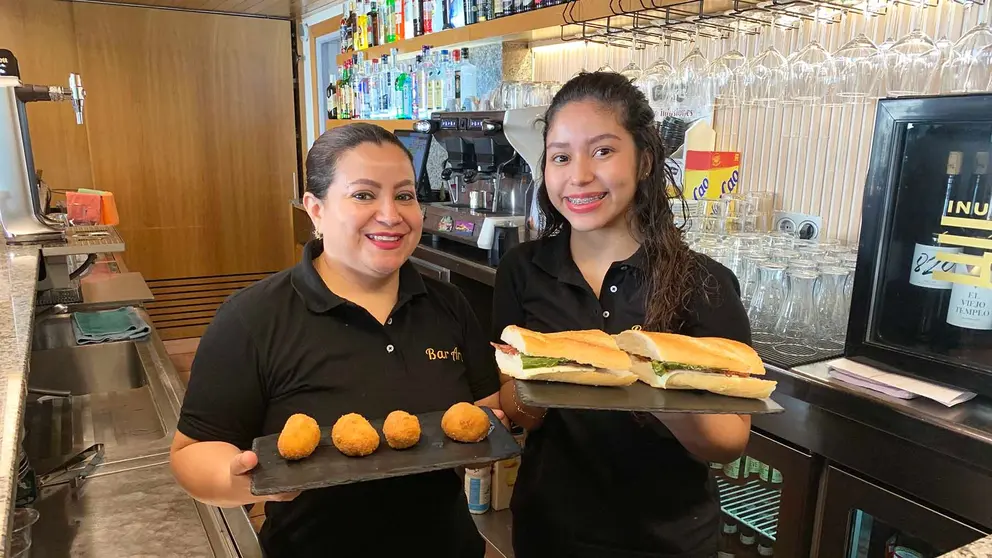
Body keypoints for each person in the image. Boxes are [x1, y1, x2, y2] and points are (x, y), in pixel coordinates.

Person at [170, 123, 501, 557]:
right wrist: (243, 481)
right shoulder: (253, 318)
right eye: (364, 195)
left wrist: (488, 439)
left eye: (404, 195)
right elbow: (191, 452)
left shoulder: (449, 305)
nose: (390, 215)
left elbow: (482, 412)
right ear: (316, 209)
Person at [494, 72, 752, 558]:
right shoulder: (523, 269)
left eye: (603, 151)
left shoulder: (704, 281)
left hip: (667, 538)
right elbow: (516, 408)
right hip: (550, 529)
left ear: (646, 160)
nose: (579, 176)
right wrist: (545, 381)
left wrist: (645, 375)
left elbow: (729, 439)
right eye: (561, 157)